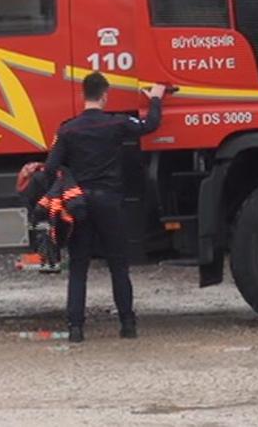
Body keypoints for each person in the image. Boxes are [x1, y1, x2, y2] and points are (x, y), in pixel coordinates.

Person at [43, 72, 166, 343]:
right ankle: (127, 324)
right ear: (105, 95)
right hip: (110, 202)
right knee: (118, 265)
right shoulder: (116, 124)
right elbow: (150, 125)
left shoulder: (67, 129)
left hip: (79, 204)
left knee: (78, 267)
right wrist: (156, 98)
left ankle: (76, 329)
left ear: (83, 95)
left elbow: (51, 168)